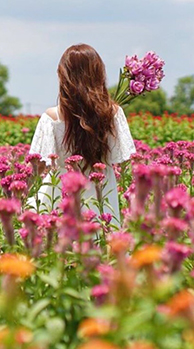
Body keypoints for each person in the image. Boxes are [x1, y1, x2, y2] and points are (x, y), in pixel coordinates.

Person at [27, 43, 136, 227]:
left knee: (60, 249)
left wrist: (21, 196)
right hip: (102, 198)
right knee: (101, 247)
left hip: (60, 196)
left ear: (63, 76)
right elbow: (122, 159)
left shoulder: (51, 117)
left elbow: (37, 167)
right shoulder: (113, 114)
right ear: (99, 74)